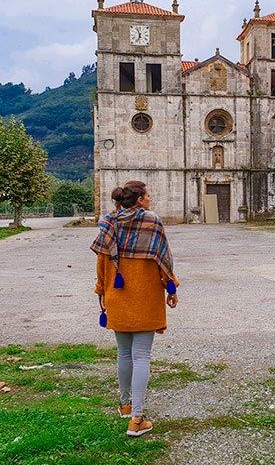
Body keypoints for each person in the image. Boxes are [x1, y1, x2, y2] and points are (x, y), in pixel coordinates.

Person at [90, 180, 179, 437]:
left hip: (116, 295)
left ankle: (125, 404)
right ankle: (137, 419)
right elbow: (164, 260)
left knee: (124, 353)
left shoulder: (108, 222)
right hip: (145, 297)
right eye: (148, 195)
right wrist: (171, 289)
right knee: (141, 356)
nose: (150, 199)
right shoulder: (152, 222)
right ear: (140, 199)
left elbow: (101, 262)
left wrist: (101, 291)